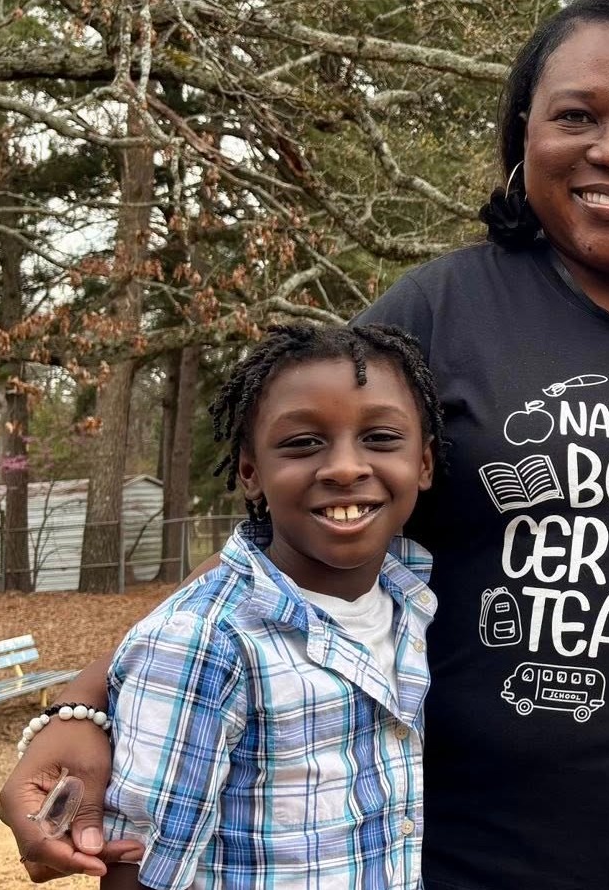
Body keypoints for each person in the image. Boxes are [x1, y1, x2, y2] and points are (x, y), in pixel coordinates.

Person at [1, 1, 609, 886]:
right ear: (523, 135)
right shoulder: (439, 313)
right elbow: (274, 548)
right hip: (469, 853)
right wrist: (86, 703)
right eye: (575, 115)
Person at [88, 324, 442, 889]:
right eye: (302, 443)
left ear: (423, 464)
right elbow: (142, 870)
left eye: (379, 437)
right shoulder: (205, 641)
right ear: (250, 473)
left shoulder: (412, 602)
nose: (345, 467)